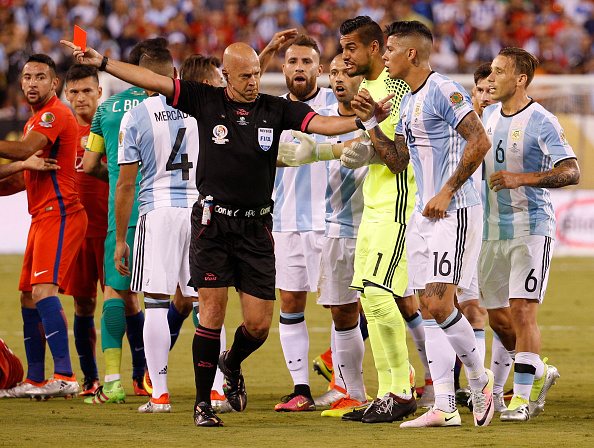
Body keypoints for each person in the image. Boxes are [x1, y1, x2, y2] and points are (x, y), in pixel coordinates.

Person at [61, 37, 387, 427]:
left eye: (256, 73)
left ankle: (230, 363)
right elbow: (154, 78)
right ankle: (202, 405)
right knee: (210, 313)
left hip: (256, 227)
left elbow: (322, 125)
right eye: (245, 75)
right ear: (226, 74)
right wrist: (104, 63)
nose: (253, 81)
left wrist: (363, 121)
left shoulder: (275, 107)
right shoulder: (205, 101)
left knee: (258, 326)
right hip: (212, 225)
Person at [351, 20, 494, 428]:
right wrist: (368, 123)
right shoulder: (408, 100)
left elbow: (479, 140)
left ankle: (480, 382)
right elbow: (396, 161)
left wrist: (447, 190)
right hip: (421, 215)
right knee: (427, 312)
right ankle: (445, 407)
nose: (385, 56)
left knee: (438, 304)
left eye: (391, 49)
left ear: (411, 53)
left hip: (454, 212)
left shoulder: (443, 90)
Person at [480, 47, 579, 422]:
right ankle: (538, 370)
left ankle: (521, 400)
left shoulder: (543, 121)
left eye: (499, 72)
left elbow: (571, 172)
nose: (491, 78)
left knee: (522, 311)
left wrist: (521, 179)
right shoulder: (488, 115)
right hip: (490, 231)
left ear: (520, 79)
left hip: (531, 228)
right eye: (491, 71)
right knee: (498, 319)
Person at [337, 16, 421, 424]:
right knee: (369, 298)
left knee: (380, 292)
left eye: (351, 47)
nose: (344, 55)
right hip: (373, 205)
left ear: (375, 47)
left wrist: (370, 131)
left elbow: (401, 158)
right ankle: (389, 390)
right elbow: (375, 146)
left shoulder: (399, 86)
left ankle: (403, 392)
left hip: (400, 204)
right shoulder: (368, 90)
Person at [81, 39, 170, 404]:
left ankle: (114, 381)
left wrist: (118, 176)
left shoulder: (107, 110)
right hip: (171, 207)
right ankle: (213, 383)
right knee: (191, 296)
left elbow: (88, 165)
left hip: (127, 210)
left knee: (116, 291)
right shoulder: (174, 102)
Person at [114, 46, 198, 414]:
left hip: (158, 210)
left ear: (138, 75)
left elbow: (125, 185)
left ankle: (160, 394)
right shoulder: (198, 110)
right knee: (206, 303)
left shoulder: (134, 117)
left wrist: (120, 238)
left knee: (156, 304)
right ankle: (213, 393)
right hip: (198, 210)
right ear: (174, 72)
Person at [0, 54, 87, 399]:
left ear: (54, 84)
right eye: (27, 77)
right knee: (27, 296)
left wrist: (20, 160)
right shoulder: (34, 121)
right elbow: (24, 172)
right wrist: (18, 166)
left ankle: (64, 375)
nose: (32, 82)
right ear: (20, 82)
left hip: (61, 211)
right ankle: (35, 379)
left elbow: (23, 152)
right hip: (42, 215)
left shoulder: (53, 114)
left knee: (42, 291)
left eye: (40, 77)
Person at [271, 35, 338, 412]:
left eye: (307, 62)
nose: (300, 67)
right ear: (283, 68)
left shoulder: (335, 106)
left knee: (343, 307)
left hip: (329, 221)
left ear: (320, 69)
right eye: (293, 61)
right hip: (284, 223)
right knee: (290, 302)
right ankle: (301, 389)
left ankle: (344, 382)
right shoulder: (270, 110)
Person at [315, 54, 369, 417]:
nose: (338, 77)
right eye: (333, 72)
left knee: (405, 308)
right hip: (336, 226)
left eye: (346, 71)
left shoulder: (377, 114)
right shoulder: (321, 120)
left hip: (377, 228)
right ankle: (354, 393)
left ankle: (430, 385)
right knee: (341, 313)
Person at [62, 64, 107, 397]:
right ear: (66, 95)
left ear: (100, 92)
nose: (81, 98)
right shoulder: (59, 134)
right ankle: (90, 378)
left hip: (111, 232)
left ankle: (139, 374)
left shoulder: (113, 127)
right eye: (74, 92)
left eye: (87, 91)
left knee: (126, 303)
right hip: (76, 234)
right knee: (83, 306)